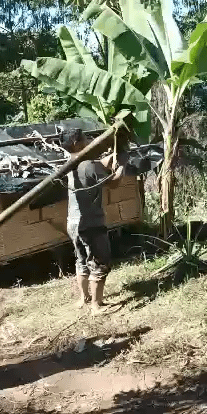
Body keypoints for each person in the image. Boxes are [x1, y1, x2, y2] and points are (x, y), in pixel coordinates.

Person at [61, 128, 128, 314]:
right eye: (85, 138)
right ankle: (96, 306)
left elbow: (99, 166)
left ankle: (84, 299)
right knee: (99, 262)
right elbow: (113, 183)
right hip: (91, 223)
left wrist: (113, 156)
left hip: (73, 223)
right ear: (77, 143)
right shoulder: (89, 165)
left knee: (81, 260)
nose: (90, 139)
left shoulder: (69, 164)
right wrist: (122, 166)